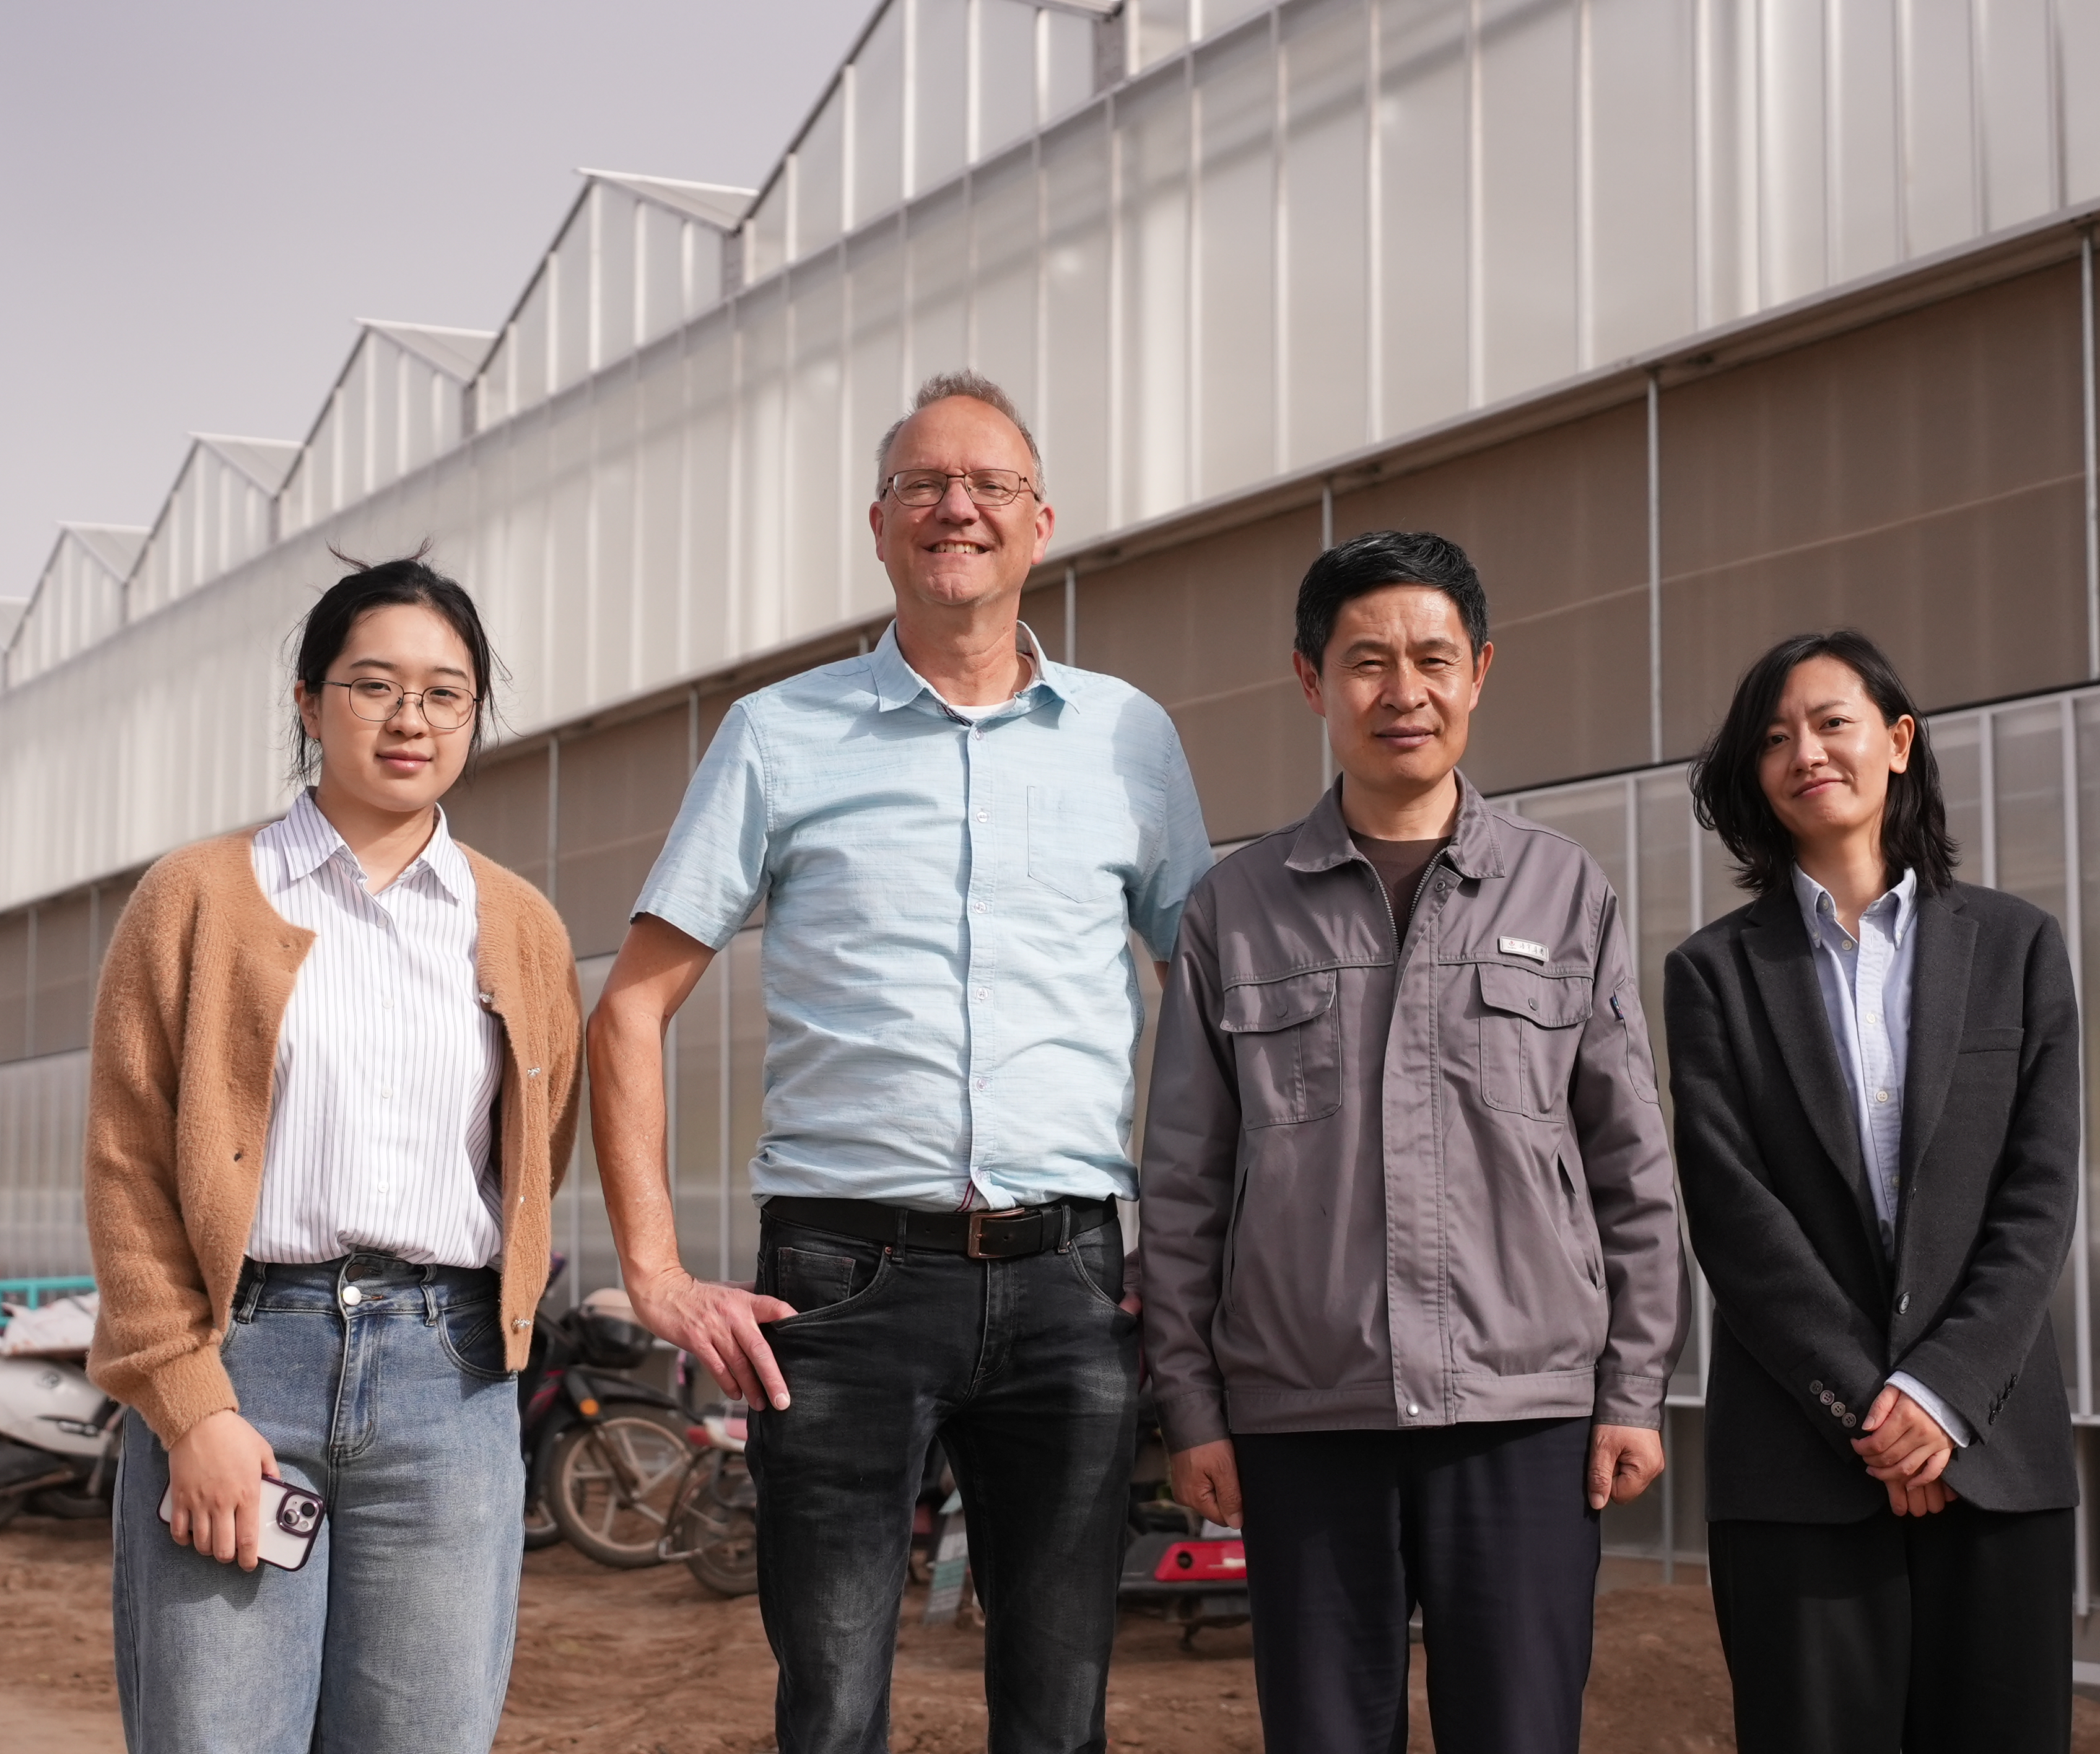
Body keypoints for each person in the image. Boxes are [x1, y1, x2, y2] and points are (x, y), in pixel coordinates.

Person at [587, 370, 1212, 1754]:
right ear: (879, 525)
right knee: (831, 1709)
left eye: (989, 485)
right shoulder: (777, 735)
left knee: (1058, 1714)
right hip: (841, 1287)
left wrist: (1185, 1245)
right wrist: (655, 1272)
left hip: (1069, 1285)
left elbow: (1211, 1005)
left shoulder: (1130, 740)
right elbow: (628, 1009)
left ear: (1040, 523)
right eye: (925, 485)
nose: (957, 508)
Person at [1140, 530, 1684, 1754]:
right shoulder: (1237, 907)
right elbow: (1182, 1182)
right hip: (1304, 1417)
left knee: (1520, 1733)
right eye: (1367, 661)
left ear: (1478, 671)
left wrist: (1632, 1388)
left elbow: (1629, 1166)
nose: (1403, 692)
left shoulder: (1560, 891)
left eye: (1432, 659)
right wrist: (1191, 1406)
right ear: (1310, 681)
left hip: (1523, 1411)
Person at [88, 555, 584, 1754]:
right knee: (220, 1734)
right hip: (242, 1364)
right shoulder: (199, 897)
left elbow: (534, 1155)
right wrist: (190, 1405)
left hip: (447, 1379)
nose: (410, 718)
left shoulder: (514, 922)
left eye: (445, 692)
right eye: (373, 684)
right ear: (309, 703)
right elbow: (127, 1172)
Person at [1663, 630, 2080, 1754]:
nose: (1807, 752)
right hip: (1802, 1468)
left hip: (1995, 1455)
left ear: (1896, 742)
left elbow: (2038, 1198)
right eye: (1774, 738)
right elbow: (1734, 1212)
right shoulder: (1712, 975)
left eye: (1832, 723)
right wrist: (1870, 1411)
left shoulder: (2017, 947)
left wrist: (1939, 1397)